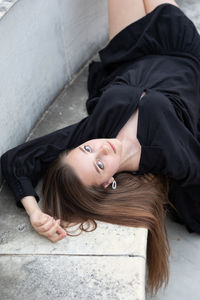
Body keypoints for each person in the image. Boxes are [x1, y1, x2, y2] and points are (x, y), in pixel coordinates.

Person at [1, 0, 200, 295]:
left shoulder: (94, 133)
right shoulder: (168, 155)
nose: (101, 149)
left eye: (86, 150)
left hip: (128, 54)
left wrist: (34, 211)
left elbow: (15, 160)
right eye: (99, 165)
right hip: (180, 49)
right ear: (108, 182)